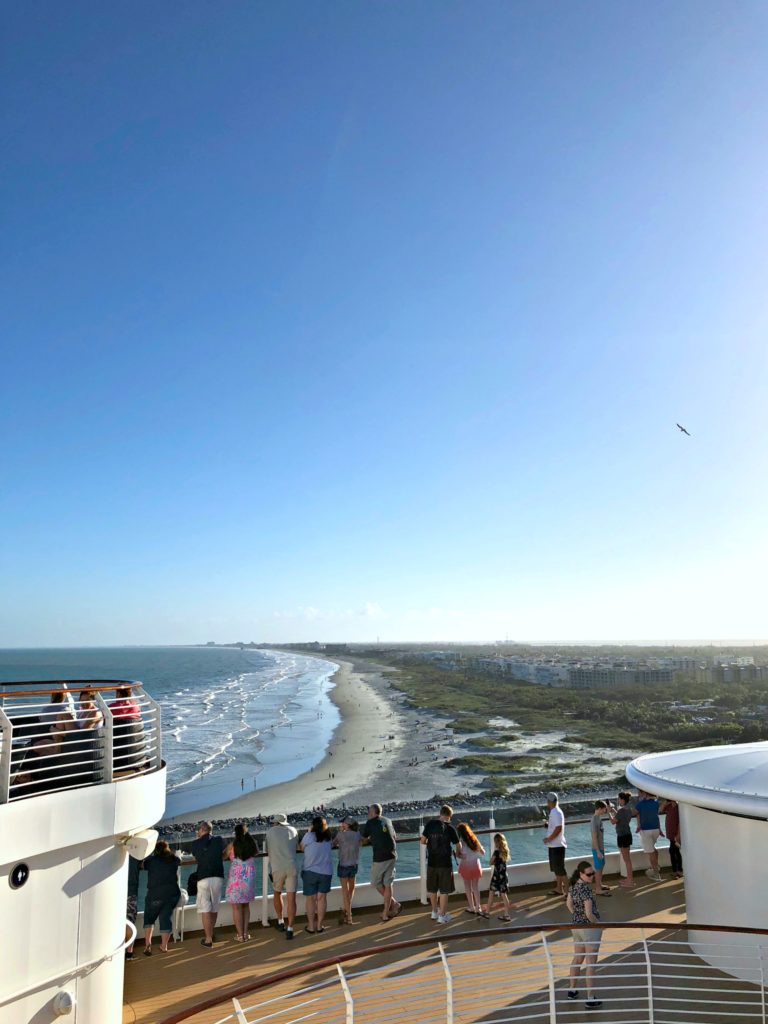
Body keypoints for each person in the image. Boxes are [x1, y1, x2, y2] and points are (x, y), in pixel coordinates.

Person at [566, 860, 603, 1009]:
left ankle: (572, 990)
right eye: (589, 874)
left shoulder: (573, 887)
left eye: (593, 873)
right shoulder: (586, 890)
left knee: (577, 958)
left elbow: (568, 904)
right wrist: (600, 925)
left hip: (576, 927)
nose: (592, 876)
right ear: (581, 874)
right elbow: (589, 914)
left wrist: (576, 915)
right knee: (591, 963)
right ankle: (590, 997)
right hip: (589, 928)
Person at [361, 803, 402, 922]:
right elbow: (394, 836)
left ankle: (393, 904)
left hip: (380, 857)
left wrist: (369, 839)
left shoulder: (370, 823)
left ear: (373, 813)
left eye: (369, 812)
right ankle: (387, 911)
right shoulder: (388, 820)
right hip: (392, 854)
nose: (368, 814)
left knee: (376, 883)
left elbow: (363, 840)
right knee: (388, 884)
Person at [420, 804, 461, 924]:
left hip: (432, 862)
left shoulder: (430, 824)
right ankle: (442, 916)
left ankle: (434, 912)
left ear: (440, 814)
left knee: (432, 889)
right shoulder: (450, 828)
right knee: (444, 890)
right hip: (445, 863)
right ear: (449, 816)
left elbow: (422, 841)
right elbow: (458, 845)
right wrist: (458, 853)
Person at [143, 841, 182, 955]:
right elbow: (178, 860)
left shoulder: (151, 861)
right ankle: (164, 946)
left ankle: (147, 946)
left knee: (149, 918)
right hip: (171, 894)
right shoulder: (173, 859)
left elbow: (142, 864)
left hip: (155, 894)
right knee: (165, 918)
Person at [265, 812, 299, 939]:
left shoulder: (270, 832)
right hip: (292, 866)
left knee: (277, 892)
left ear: (276, 822)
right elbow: (296, 846)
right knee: (291, 899)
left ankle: (280, 921)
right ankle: (290, 928)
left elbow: (267, 850)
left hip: (277, 868)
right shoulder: (293, 830)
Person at [191, 821, 225, 947]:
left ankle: (208, 938)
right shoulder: (219, 840)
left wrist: (198, 839)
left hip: (203, 878)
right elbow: (223, 853)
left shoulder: (195, 843)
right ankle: (212, 932)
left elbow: (196, 857)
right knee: (214, 907)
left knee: (205, 908)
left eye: (198, 830)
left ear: (201, 830)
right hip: (217, 876)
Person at [225, 822, 258, 942]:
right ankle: (245, 933)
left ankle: (239, 935)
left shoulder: (232, 845)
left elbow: (224, 855)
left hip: (236, 880)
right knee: (246, 905)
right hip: (248, 878)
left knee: (236, 908)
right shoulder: (251, 844)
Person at [299, 816, 333, 934]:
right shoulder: (328, 837)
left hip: (310, 872)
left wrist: (309, 832)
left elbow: (301, 848)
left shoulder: (309, 836)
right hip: (326, 872)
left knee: (311, 899)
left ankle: (311, 926)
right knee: (322, 899)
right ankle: (319, 925)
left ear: (313, 825)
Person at [332, 817, 361, 925]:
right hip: (353, 865)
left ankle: (348, 914)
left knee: (345, 892)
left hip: (343, 865)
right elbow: (362, 841)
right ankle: (347, 913)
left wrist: (340, 833)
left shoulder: (340, 835)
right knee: (351, 888)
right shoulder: (357, 834)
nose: (342, 824)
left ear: (347, 824)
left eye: (343, 823)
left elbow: (332, 844)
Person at [481, 833, 513, 920]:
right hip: (503, 876)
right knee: (504, 895)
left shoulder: (496, 852)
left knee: (491, 893)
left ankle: (487, 912)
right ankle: (506, 914)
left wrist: (495, 862)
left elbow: (490, 862)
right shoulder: (505, 851)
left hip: (496, 876)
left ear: (496, 842)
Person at [456, 822, 485, 915]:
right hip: (476, 865)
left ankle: (471, 907)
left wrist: (459, 855)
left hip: (466, 866)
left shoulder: (460, 842)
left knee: (467, 887)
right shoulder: (474, 839)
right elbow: (483, 852)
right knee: (475, 887)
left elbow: (459, 855)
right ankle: (478, 907)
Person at [608, 792, 636, 888]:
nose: (618, 800)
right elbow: (619, 818)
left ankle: (630, 881)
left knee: (626, 859)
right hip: (627, 834)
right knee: (627, 859)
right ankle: (629, 879)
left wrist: (608, 812)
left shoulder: (622, 811)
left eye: (619, 799)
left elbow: (613, 821)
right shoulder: (628, 809)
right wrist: (614, 810)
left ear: (623, 800)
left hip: (622, 836)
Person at [543, 792, 567, 896]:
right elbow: (556, 826)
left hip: (557, 845)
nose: (547, 802)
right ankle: (559, 889)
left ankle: (569, 893)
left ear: (550, 801)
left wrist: (548, 839)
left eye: (547, 800)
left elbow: (558, 828)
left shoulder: (556, 812)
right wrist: (548, 825)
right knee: (557, 869)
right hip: (555, 845)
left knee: (560, 869)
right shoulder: (555, 811)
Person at [636, 791, 662, 881]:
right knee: (653, 849)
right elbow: (656, 815)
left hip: (646, 831)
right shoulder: (656, 803)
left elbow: (633, 812)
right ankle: (656, 867)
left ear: (645, 794)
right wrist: (660, 829)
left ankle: (656, 874)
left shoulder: (641, 804)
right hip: (655, 829)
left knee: (651, 853)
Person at [590, 800, 611, 896]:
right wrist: (598, 851)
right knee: (598, 868)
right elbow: (594, 837)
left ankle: (599, 884)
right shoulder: (594, 820)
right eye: (604, 809)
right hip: (597, 848)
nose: (605, 811)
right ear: (599, 808)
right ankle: (598, 889)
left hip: (601, 847)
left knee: (602, 865)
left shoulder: (598, 818)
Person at [125, 854, 141, 960]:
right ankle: (129, 953)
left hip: (115, 894)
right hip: (131, 893)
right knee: (130, 922)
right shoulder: (136, 855)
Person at [662, 798, 683, 878]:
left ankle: (678, 871)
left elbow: (680, 822)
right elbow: (660, 810)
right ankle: (677, 871)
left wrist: (678, 835)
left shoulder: (679, 808)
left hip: (675, 835)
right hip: (671, 835)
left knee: (674, 851)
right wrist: (665, 803)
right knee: (674, 852)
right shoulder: (669, 806)